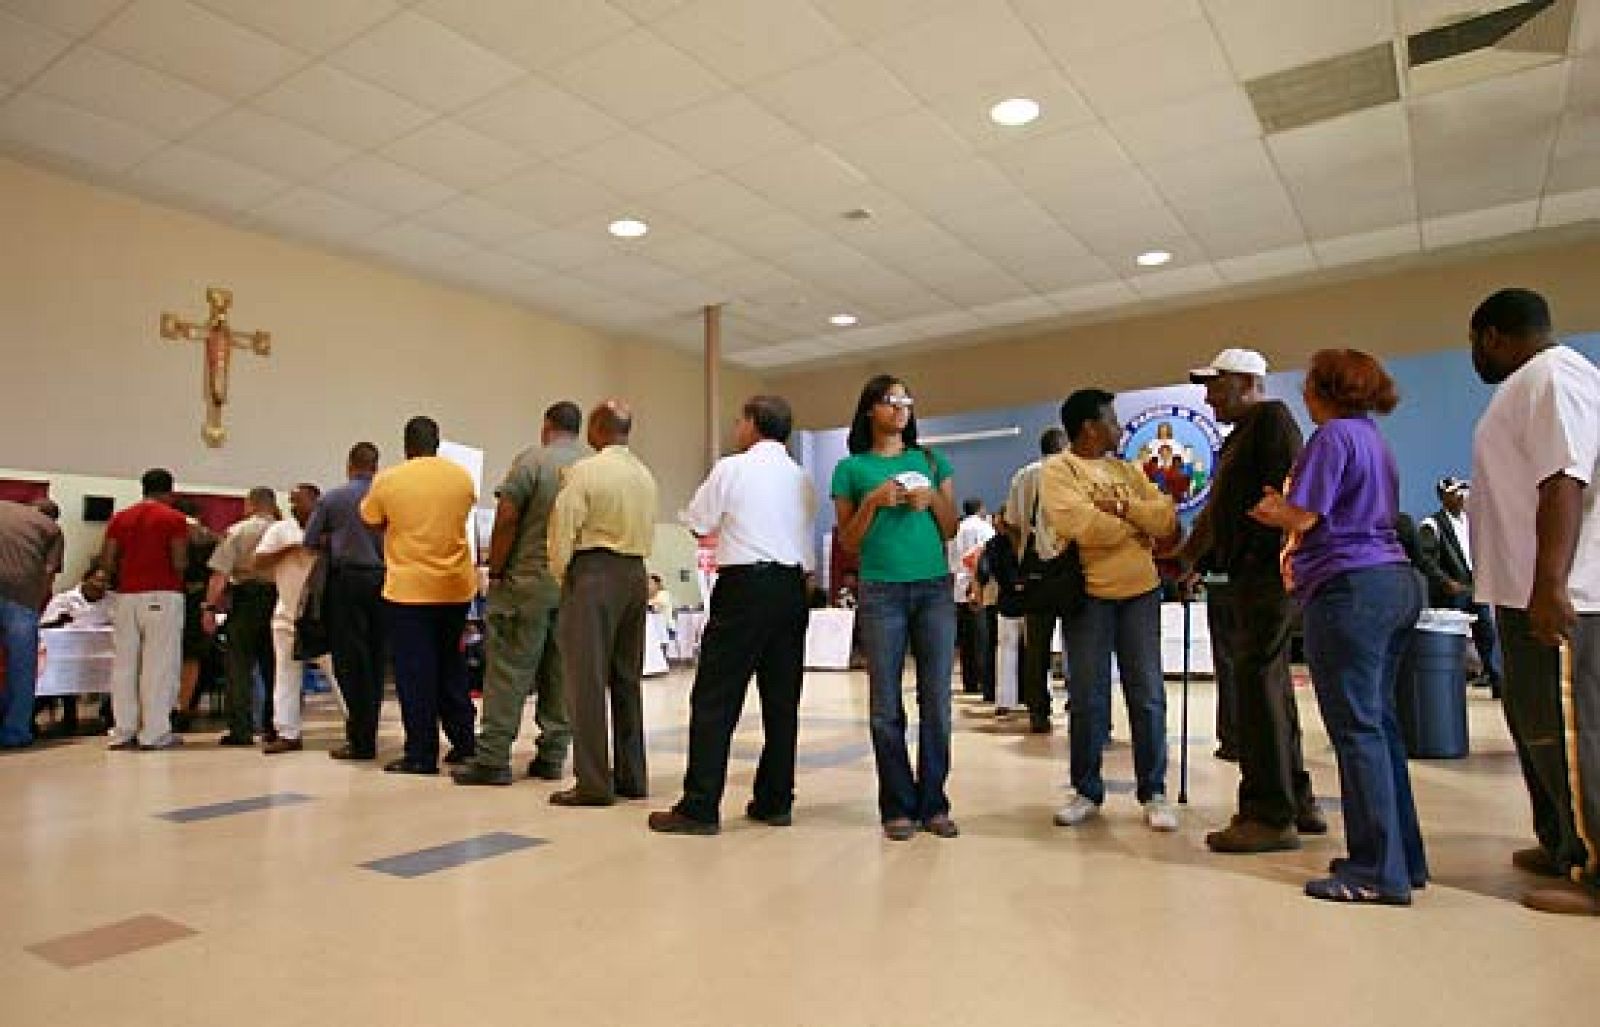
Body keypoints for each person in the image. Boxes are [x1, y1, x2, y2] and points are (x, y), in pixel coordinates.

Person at [1251, 348, 1427, 905]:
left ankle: (1375, 871)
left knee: (1355, 731)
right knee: (1380, 727)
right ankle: (1402, 858)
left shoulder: (1330, 439)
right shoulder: (1373, 439)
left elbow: (1306, 516)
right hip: (1394, 580)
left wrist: (1274, 508)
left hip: (1350, 587)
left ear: (1321, 390)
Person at [1466, 287, 1600, 916]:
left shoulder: (1553, 376)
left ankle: (1597, 870)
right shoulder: (1527, 384)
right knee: (1537, 725)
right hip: (1523, 592)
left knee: (1575, 731)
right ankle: (1564, 843)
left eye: (1475, 343)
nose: (1476, 354)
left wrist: (1551, 585)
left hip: (1561, 594)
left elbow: (1564, 479)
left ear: (1492, 335)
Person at [650, 395, 815, 835]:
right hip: (791, 588)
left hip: (744, 587)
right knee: (782, 701)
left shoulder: (732, 467)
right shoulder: (801, 478)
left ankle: (700, 805)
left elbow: (699, 521)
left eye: (740, 420)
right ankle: (775, 800)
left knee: (715, 699)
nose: (736, 427)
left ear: (753, 425)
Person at [1182, 347, 1325, 853]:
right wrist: (1190, 556)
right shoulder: (1246, 432)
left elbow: (1283, 503)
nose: (1208, 397)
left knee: (1257, 689)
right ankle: (1296, 799)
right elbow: (1221, 509)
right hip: (1252, 576)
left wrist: (1193, 553)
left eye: (1215, 386)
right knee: (1270, 689)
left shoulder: (1271, 422)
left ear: (1245, 382)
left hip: (1265, 575)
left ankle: (1269, 812)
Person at [1044, 389, 1181, 833]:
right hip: (1089, 598)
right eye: (1112, 420)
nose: (1119, 428)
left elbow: (1166, 520)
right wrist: (1136, 527)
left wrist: (1122, 508)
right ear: (1089, 427)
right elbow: (1078, 525)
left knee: (1147, 695)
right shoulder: (1059, 469)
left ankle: (1154, 791)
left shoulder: (1128, 470)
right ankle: (1086, 789)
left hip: (1141, 594)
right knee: (1086, 697)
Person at [831, 374, 961, 841]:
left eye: (906, 399)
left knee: (938, 701)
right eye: (890, 401)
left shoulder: (930, 460)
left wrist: (929, 503)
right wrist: (872, 502)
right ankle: (897, 804)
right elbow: (848, 541)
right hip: (881, 591)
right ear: (871, 409)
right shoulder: (851, 468)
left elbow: (950, 528)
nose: (900, 407)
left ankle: (935, 802)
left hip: (933, 589)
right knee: (886, 704)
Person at [453, 401, 587, 788]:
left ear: (546, 426)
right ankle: (552, 756)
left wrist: (494, 569)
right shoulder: (590, 466)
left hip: (525, 585)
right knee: (560, 674)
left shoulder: (532, 461)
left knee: (509, 671)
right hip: (572, 587)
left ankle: (493, 758)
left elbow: (508, 515)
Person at [547, 399, 659, 807]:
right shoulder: (645, 475)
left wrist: (564, 576)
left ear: (596, 428)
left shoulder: (585, 471)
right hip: (635, 573)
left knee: (586, 681)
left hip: (594, 572)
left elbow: (563, 528)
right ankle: (632, 776)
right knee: (626, 679)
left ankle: (593, 782)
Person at [360, 417, 478, 775]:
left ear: (406, 445)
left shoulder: (390, 480)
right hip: (455, 586)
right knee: (451, 666)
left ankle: (421, 754)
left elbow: (371, 519)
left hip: (409, 590)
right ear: (437, 443)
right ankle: (464, 744)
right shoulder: (461, 477)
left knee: (416, 674)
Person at [304, 442, 386, 762]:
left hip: (347, 582)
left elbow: (310, 542)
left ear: (349, 464)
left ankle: (359, 739)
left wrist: (335, 537)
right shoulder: (387, 498)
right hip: (384, 581)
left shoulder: (333, 499)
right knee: (377, 660)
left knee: (351, 663)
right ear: (376, 466)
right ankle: (371, 731)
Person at [101, 469, 189, 750]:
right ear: (170, 490)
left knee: (124, 665)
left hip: (126, 596)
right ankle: (154, 732)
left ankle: (123, 730)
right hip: (163, 593)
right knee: (159, 665)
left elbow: (107, 560)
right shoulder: (173, 518)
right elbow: (179, 561)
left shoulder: (121, 517)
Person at [252, 483, 339, 754]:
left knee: (338, 674)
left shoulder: (333, 532)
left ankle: (357, 727)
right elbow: (258, 562)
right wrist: (288, 550)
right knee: (286, 674)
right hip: (286, 613)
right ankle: (287, 732)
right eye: (291, 501)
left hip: (321, 616)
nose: (293, 506)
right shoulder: (280, 530)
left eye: (299, 501)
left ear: (317, 502)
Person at [203, 487, 280, 746]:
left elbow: (220, 575)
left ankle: (241, 728)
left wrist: (210, 608)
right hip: (277, 599)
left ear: (251, 504)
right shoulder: (285, 531)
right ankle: (275, 726)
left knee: (239, 667)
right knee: (276, 668)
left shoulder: (238, 531)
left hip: (246, 599)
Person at [1007, 426, 1070, 733]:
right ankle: (1080, 703)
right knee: (1078, 641)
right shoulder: (1071, 471)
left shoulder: (1024, 476)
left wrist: (1022, 551)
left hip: (1035, 572)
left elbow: (1011, 523)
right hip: (1069, 570)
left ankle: (1038, 712)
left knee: (1037, 648)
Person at [1417, 477, 1502, 693]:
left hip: (1472, 586)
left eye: (1462, 492)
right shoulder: (1432, 525)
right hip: (1450, 590)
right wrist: (1445, 581)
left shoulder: (1469, 521)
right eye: (1455, 493)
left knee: (1486, 631)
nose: (1461, 497)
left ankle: (1496, 679)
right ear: (1444, 497)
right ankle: (1448, 684)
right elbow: (1424, 559)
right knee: (1451, 638)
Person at [0, 498, 64, 748]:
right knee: (22, 669)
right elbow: (48, 572)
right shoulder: (50, 528)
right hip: (22, 597)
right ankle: (14, 732)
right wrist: (36, 605)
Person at [36, 562, 114, 737]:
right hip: (66, 654)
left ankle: (110, 714)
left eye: (105, 582)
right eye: (98, 580)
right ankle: (67, 715)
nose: (101, 586)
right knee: (62, 673)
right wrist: (60, 621)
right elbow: (44, 626)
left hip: (101, 654)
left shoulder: (113, 600)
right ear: (86, 579)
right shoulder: (64, 599)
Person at [172, 499, 218, 731]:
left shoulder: (174, 530)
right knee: (192, 657)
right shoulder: (209, 536)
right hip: (199, 598)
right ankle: (184, 707)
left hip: (172, 595)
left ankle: (168, 707)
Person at [977, 508, 1026, 715]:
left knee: (1006, 651)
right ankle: (1033, 696)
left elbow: (986, 571)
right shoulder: (1029, 541)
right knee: (1032, 653)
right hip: (1027, 602)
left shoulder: (993, 545)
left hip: (1006, 601)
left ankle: (1006, 700)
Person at [952, 498, 994, 696]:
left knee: (965, 640)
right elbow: (985, 557)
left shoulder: (956, 529)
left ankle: (968, 682)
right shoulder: (984, 528)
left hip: (959, 588)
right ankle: (982, 680)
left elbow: (952, 561)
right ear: (981, 509)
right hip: (977, 587)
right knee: (982, 638)